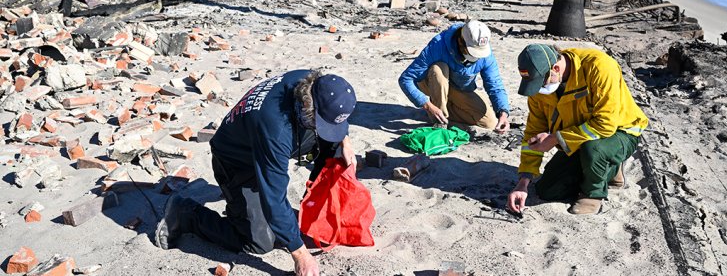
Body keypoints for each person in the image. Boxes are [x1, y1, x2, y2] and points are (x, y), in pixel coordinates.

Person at [155, 70, 357, 276]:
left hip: (263, 135)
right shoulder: (276, 130)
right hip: (237, 160)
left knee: (334, 149)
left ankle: (313, 210)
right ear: (308, 104)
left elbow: (333, 116)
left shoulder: (313, 82)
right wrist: (301, 255)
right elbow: (275, 200)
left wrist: (345, 142)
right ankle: (186, 213)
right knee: (259, 241)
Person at [506, 44, 648, 215]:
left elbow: (606, 124)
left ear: (556, 68)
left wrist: (555, 139)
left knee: (594, 149)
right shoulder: (539, 87)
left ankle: (593, 193)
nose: (539, 88)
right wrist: (524, 180)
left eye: (540, 82)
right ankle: (609, 170)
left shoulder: (599, 66)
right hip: (577, 138)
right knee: (547, 190)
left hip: (620, 132)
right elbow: (532, 133)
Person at [398, 20, 510, 133]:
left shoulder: (486, 54)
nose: (475, 57)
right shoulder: (438, 45)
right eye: (472, 52)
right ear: (460, 41)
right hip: (432, 84)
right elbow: (406, 79)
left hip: (460, 88)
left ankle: (441, 112)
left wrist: (503, 113)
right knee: (439, 69)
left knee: (490, 123)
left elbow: (495, 85)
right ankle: (439, 121)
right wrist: (427, 105)